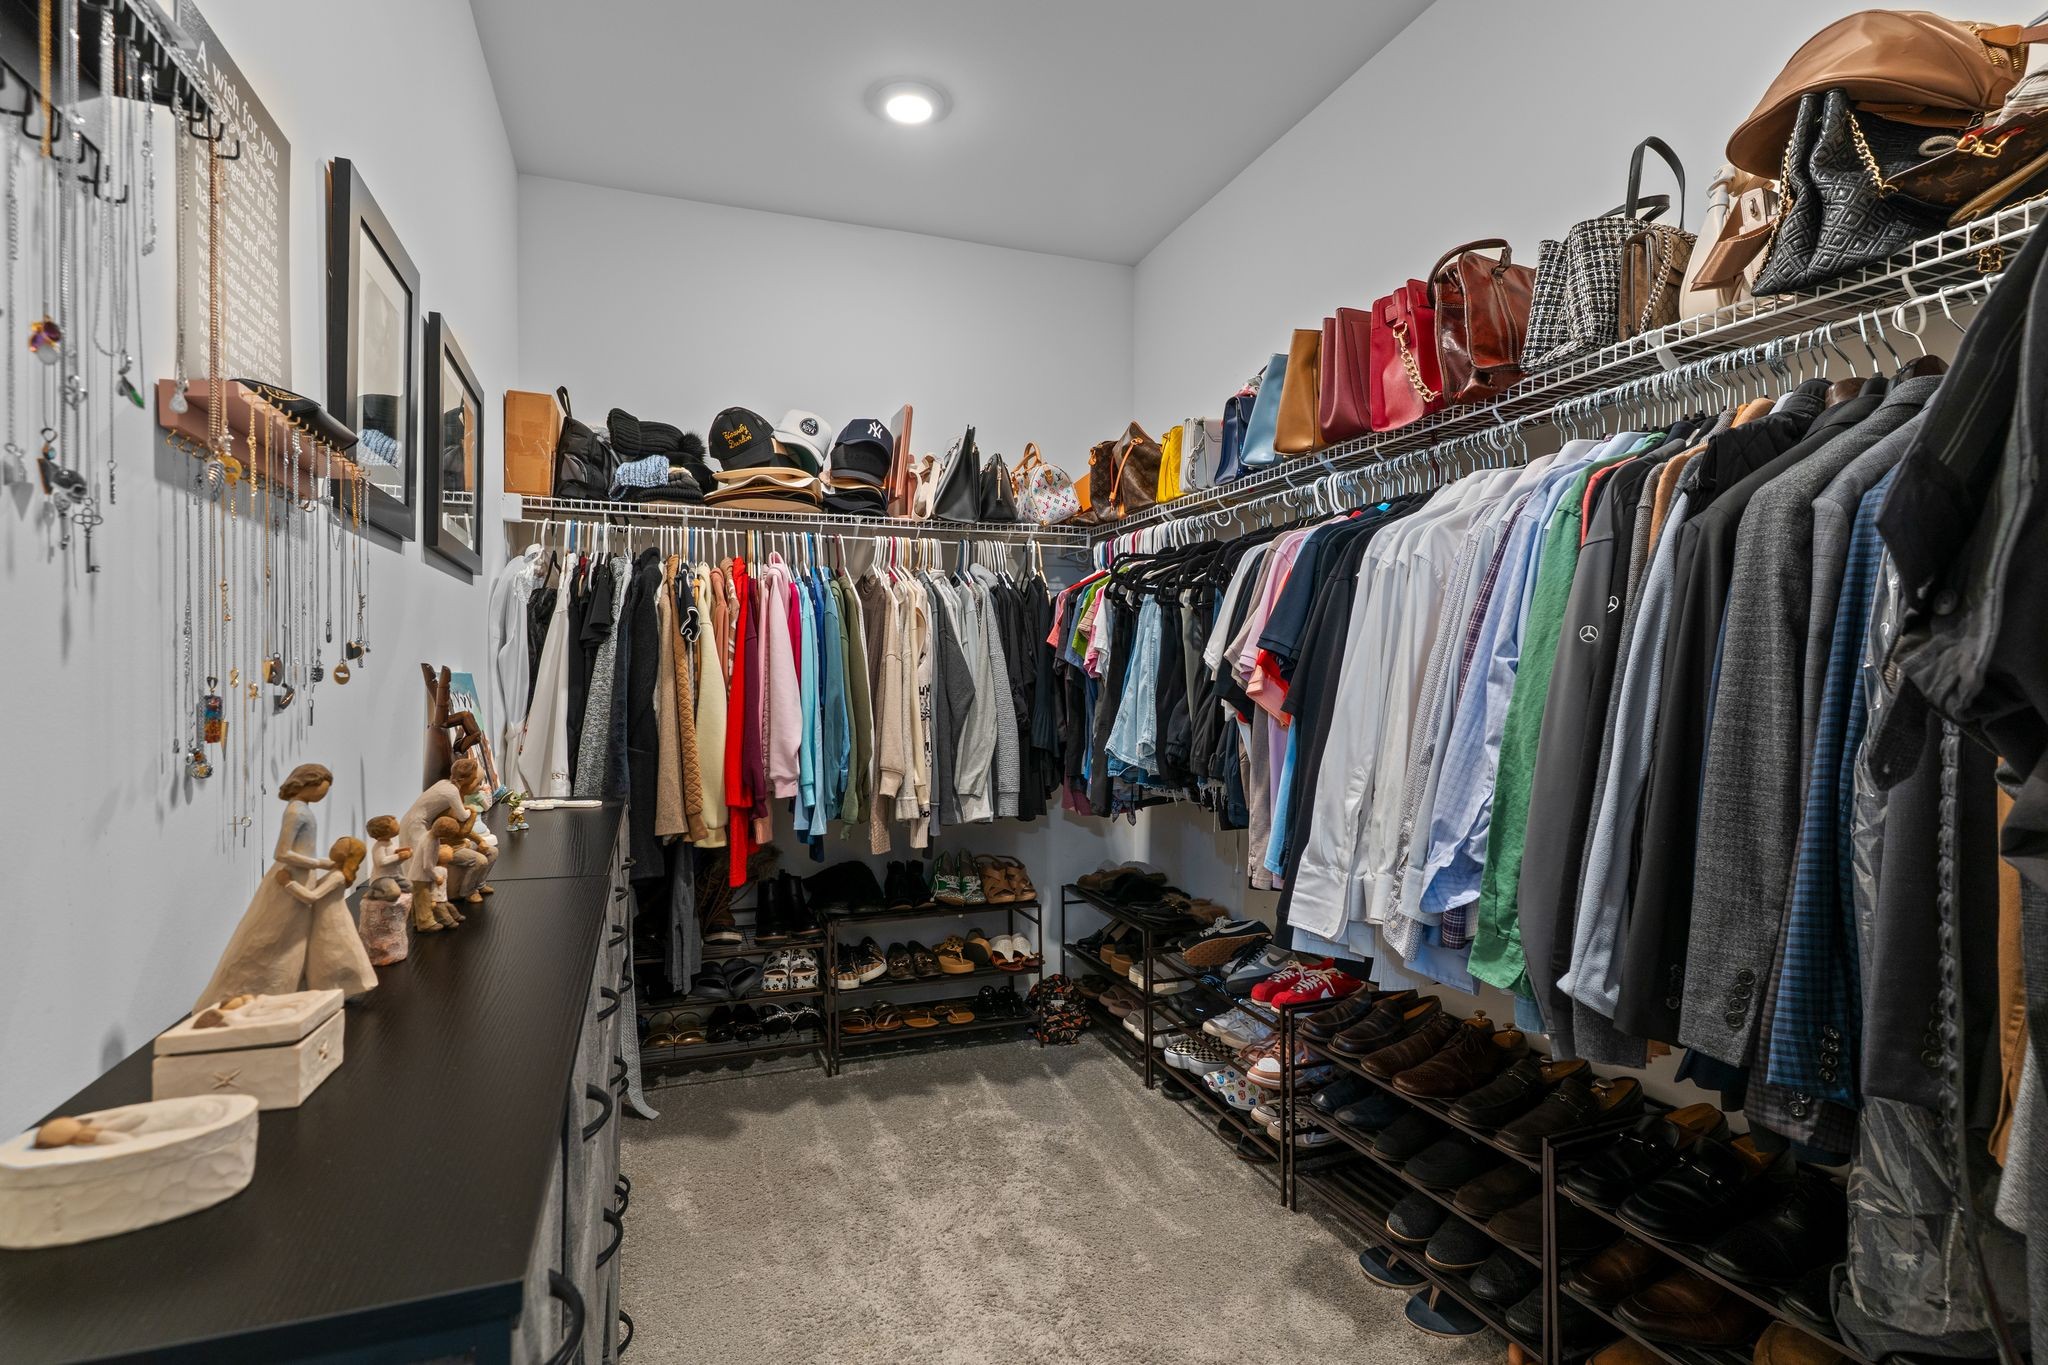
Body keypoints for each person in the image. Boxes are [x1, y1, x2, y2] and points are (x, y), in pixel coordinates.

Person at [192, 764, 337, 1011]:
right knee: (275, 939)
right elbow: (282, 852)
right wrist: (320, 862)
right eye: (321, 790)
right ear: (306, 784)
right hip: (290, 878)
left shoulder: (303, 810)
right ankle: (251, 994)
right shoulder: (296, 812)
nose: (323, 795)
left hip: (303, 877)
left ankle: (283, 991)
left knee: (293, 940)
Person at [280, 837, 379, 997]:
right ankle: (336, 989)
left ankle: (336, 990)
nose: (333, 846)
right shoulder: (337, 869)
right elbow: (318, 862)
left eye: (339, 846)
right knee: (332, 956)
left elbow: (312, 896)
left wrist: (288, 883)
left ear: (347, 854)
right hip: (328, 918)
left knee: (331, 957)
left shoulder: (337, 877)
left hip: (331, 921)